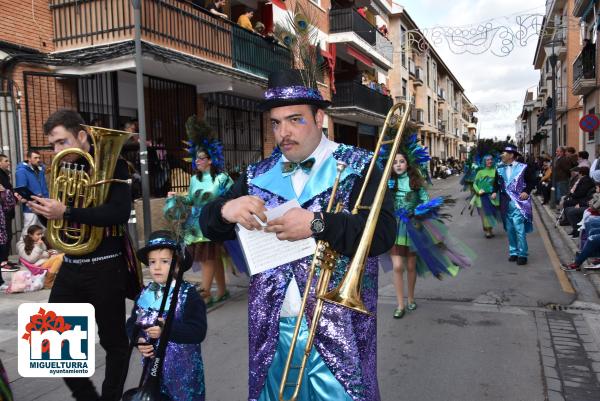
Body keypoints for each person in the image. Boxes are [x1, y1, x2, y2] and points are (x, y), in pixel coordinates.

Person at [200, 69, 396, 401]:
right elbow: (208, 224)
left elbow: (383, 235)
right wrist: (224, 210)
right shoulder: (257, 173)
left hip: (339, 330)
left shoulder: (361, 165)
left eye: (294, 120)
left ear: (320, 118)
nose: (283, 133)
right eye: (276, 123)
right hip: (272, 332)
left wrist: (318, 224)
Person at [19, 109, 141, 401]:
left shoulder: (116, 166)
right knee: (50, 342)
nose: (56, 151)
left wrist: (68, 211)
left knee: (114, 342)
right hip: (71, 266)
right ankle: (87, 397)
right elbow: (58, 227)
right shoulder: (61, 170)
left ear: (82, 136)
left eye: (62, 142)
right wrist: (44, 210)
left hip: (105, 266)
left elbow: (119, 213)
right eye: (53, 146)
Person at [390, 137, 474, 319]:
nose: (398, 165)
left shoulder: (415, 183)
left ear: (408, 163)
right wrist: (386, 191)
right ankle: (400, 304)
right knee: (397, 266)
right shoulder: (389, 183)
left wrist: (421, 207)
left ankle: (410, 298)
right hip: (395, 228)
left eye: (401, 161)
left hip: (413, 227)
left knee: (411, 266)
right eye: (395, 162)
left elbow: (426, 201)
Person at [126, 230, 207, 401]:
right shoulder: (144, 294)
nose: (157, 267)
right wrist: (138, 339)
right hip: (152, 372)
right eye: (152, 261)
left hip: (184, 374)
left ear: (177, 264)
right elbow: (132, 323)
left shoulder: (188, 294)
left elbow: (198, 331)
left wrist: (167, 330)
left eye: (164, 261)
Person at [165, 116, 233, 306]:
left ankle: (205, 294)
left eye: (202, 158)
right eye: (196, 157)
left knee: (208, 259)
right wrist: (177, 197)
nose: (197, 161)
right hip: (196, 226)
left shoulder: (222, 178)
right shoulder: (195, 179)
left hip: (213, 223)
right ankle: (222, 290)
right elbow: (190, 199)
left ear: (211, 160)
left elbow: (233, 196)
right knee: (212, 258)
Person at [496, 145, 536, 265]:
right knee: (509, 229)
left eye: (504, 153)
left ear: (511, 155)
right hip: (505, 202)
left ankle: (522, 254)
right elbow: (496, 183)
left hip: (519, 203)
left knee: (519, 227)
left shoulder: (524, 168)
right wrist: (493, 192)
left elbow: (532, 181)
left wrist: (526, 191)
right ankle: (513, 252)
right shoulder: (499, 169)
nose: (501, 155)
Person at [15, 149, 48, 234]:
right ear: (29, 159)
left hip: (43, 204)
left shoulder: (41, 169)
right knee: (29, 231)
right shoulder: (21, 171)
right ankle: (26, 247)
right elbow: (21, 190)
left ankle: (39, 248)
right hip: (31, 207)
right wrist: (33, 197)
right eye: (35, 158)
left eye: (39, 157)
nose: (38, 160)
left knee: (42, 231)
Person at [470, 155, 500, 238]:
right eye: (487, 160)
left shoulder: (496, 171)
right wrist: (478, 191)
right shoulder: (480, 172)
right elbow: (475, 183)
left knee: (493, 214)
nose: (489, 161)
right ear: (484, 162)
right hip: (482, 197)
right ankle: (487, 230)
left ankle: (490, 228)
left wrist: (495, 192)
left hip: (493, 196)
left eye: (491, 160)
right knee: (485, 214)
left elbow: (499, 183)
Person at [0, 155, 16, 268]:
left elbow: (7, 190)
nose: (8, 163)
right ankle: (3, 262)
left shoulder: (5, 174)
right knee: (5, 236)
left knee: (8, 236)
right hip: (2, 212)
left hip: (8, 211)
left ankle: (5, 260)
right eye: (6, 161)